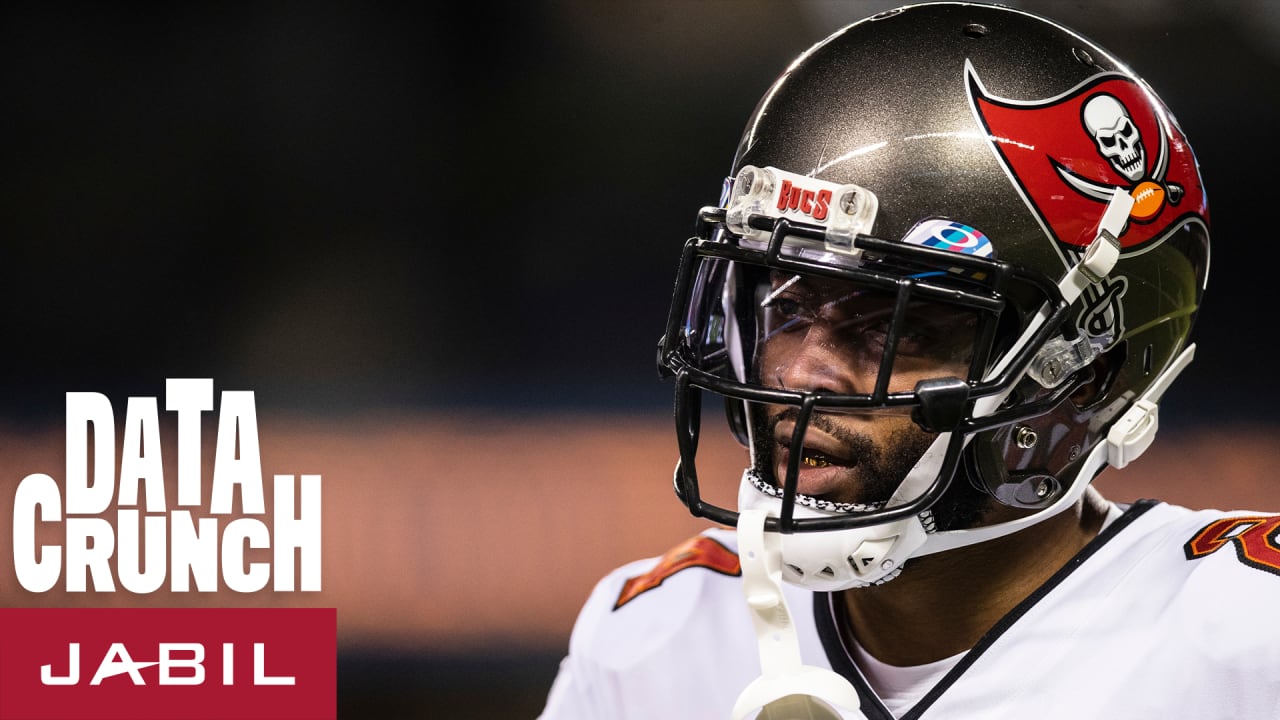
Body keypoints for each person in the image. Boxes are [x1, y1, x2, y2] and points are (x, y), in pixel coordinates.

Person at [540, 3, 1279, 718]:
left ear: (1086, 377)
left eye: (903, 330)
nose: (803, 374)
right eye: (788, 310)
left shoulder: (1247, 637)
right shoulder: (653, 639)